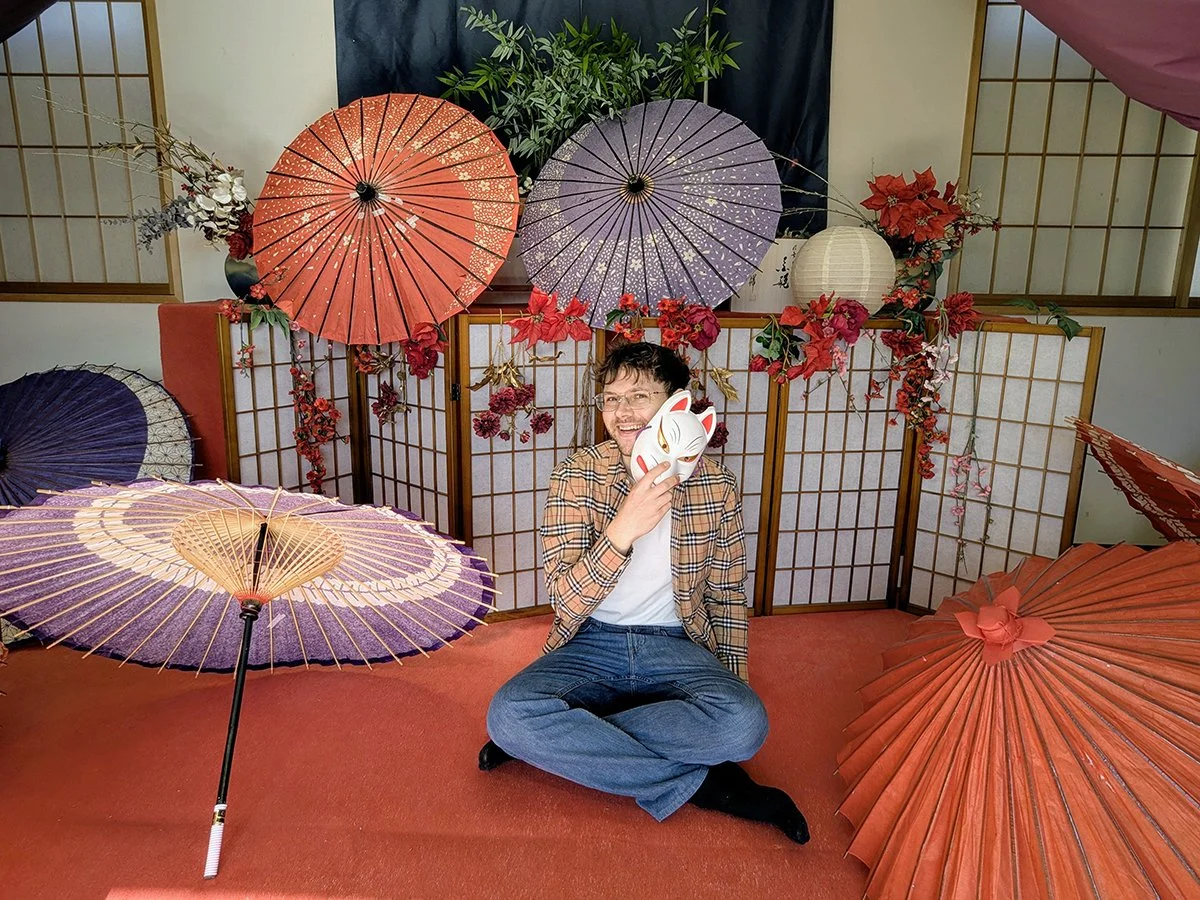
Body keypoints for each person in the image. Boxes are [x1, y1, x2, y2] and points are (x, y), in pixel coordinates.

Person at [479, 340, 809, 844]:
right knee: (507, 716)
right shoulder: (577, 476)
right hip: (591, 639)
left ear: (677, 402)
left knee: (744, 726)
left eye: (638, 396)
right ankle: (707, 785)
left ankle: (573, 735)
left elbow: (726, 597)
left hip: (675, 644)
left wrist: (733, 687)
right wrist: (622, 530)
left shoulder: (714, 486)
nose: (621, 412)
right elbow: (566, 598)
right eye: (610, 399)